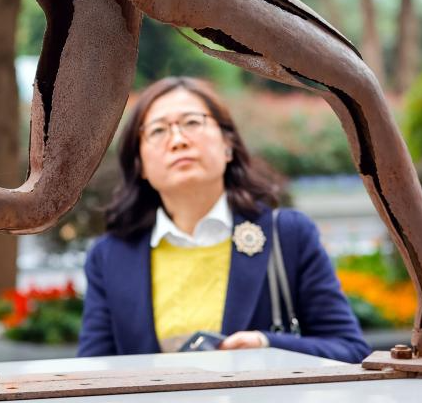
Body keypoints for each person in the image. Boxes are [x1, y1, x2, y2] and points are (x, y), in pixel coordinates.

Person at [78, 76, 370, 361]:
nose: (178, 140)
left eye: (192, 122)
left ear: (228, 144)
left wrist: (267, 346)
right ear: (140, 164)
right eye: (157, 131)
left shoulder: (288, 235)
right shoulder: (110, 256)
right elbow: (94, 372)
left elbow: (350, 349)